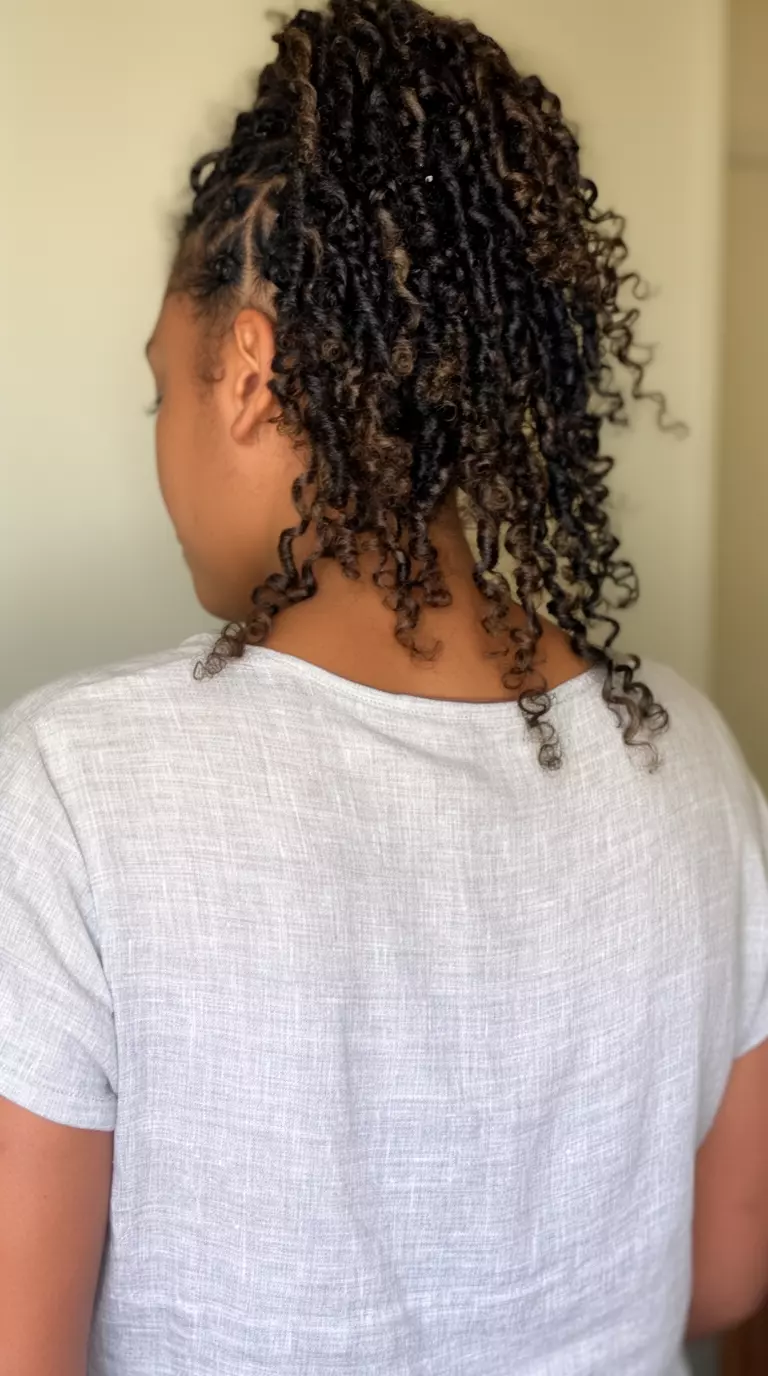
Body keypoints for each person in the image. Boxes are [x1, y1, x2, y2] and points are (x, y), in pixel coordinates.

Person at [1, 0, 767, 1371]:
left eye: (164, 390)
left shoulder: (73, 789)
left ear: (249, 375)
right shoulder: (695, 763)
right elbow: (723, 1274)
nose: (163, 440)